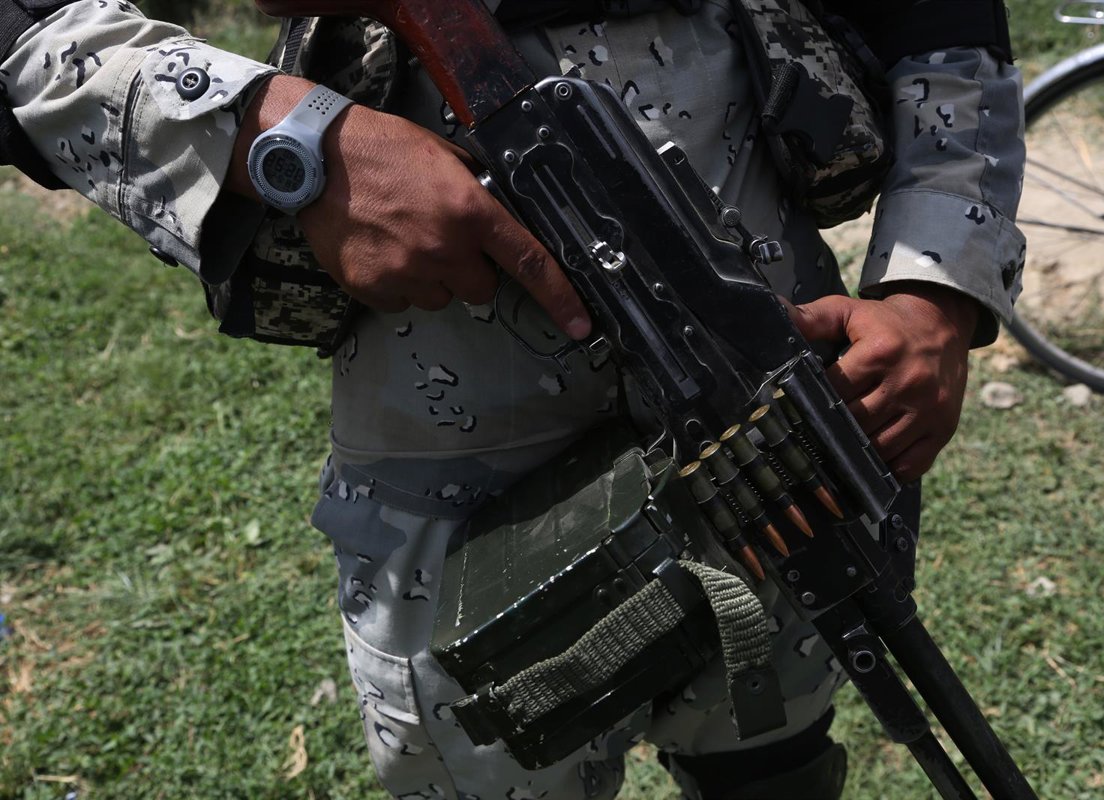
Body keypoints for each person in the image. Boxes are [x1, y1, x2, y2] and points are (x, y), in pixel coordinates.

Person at [0, 1, 1025, 797]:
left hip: (762, 387)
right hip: (449, 408)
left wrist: (934, 288)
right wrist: (290, 134)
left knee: (777, 756)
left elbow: (944, 22)